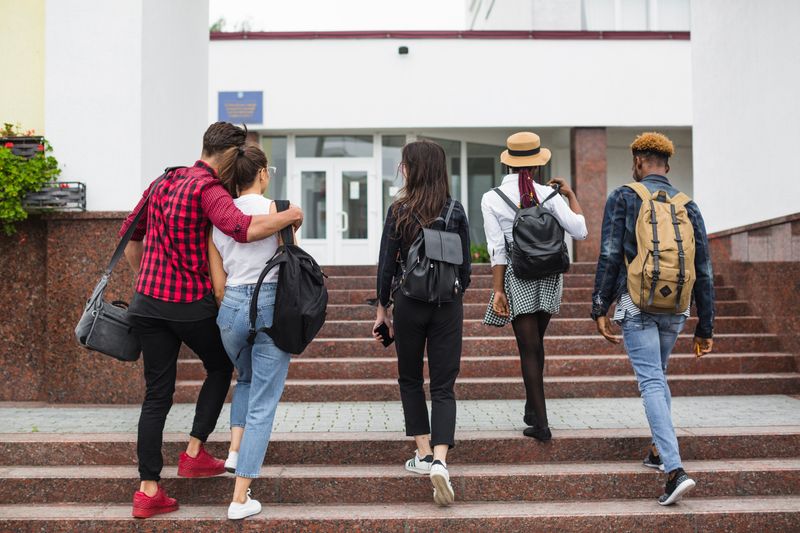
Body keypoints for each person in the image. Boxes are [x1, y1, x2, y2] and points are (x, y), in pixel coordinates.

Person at [121, 122, 303, 519]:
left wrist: (144, 279)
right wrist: (290, 214)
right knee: (223, 367)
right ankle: (193, 451)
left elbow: (131, 235)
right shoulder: (209, 189)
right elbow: (242, 229)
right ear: (230, 155)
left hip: (147, 304)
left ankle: (148, 490)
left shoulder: (162, 181)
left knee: (156, 396)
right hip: (186, 303)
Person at [591, 131, 715, 506]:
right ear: (668, 165)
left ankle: (675, 470)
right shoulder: (687, 204)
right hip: (677, 307)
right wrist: (705, 325)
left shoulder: (624, 196)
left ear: (639, 162)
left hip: (638, 304)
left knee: (650, 383)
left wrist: (600, 306)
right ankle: (659, 452)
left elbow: (611, 254)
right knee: (658, 378)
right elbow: (704, 267)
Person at [373, 140, 471, 506]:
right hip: (448, 305)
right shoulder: (455, 209)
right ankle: (442, 462)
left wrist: (383, 309)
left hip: (410, 304)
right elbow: (466, 271)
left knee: (411, 378)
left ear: (412, 169)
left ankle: (424, 453)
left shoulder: (399, 209)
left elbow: (386, 264)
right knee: (444, 385)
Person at [481, 131, 588, 441]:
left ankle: (540, 424)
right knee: (536, 345)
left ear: (509, 163)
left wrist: (498, 290)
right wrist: (570, 194)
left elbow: (497, 249)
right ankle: (532, 409)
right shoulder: (551, 195)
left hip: (519, 274)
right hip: (551, 275)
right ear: (538, 164)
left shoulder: (492, 198)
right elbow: (580, 231)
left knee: (529, 348)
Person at [206, 144, 295, 520]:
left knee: (245, 379)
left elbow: (218, 285)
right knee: (263, 401)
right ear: (261, 174)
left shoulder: (220, 218)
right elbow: (292, 265)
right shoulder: (278, 210)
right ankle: (240, 499)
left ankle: (233, 451)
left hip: (231, 309)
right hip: (271, 305)